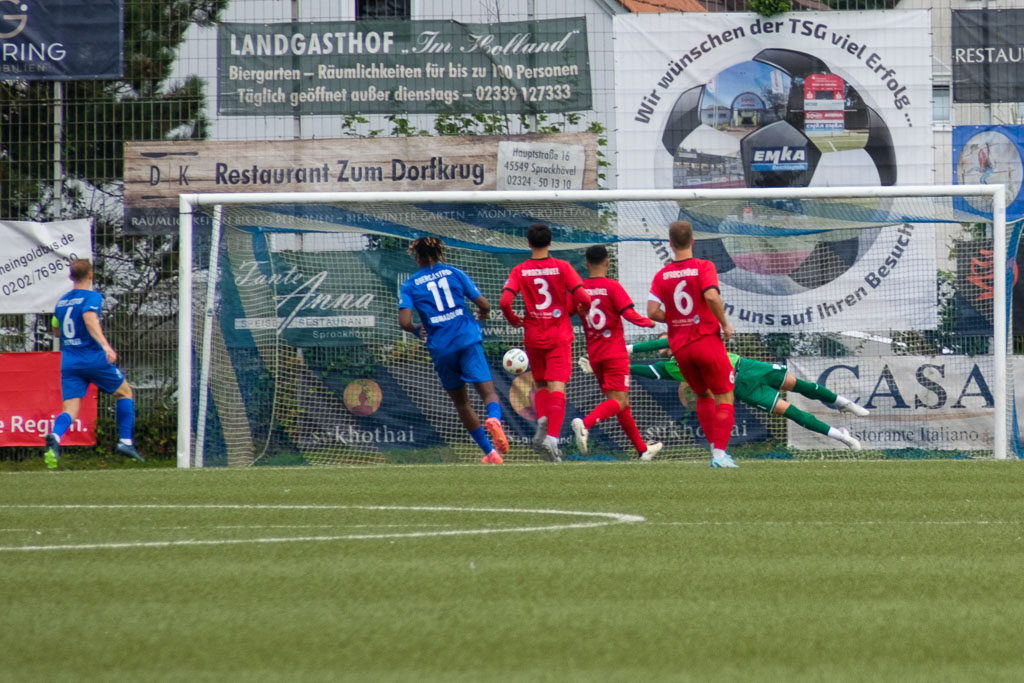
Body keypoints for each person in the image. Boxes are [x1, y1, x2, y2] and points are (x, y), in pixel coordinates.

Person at [579, 335, 867, 450]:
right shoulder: (671, 365)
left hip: (746, 368)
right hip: (738, 384)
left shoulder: (683, 345)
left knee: (798, 386)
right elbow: (642, 367)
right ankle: (841, 436)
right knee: (790, 411)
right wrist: (609, 365)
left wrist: (622, 351)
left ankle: (842, 403)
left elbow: (655, 346)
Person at [398, 237, 509, 464]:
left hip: (442, 348)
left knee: (462, 403)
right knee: (488, 393)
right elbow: (484, 304)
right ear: (439, 254)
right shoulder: (454, 272)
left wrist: (418, 331)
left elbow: (404, 321)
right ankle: (495, 420)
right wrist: (484, 313)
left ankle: (490, 453)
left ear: (417, 256)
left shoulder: (410, 284)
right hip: (467, 340)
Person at [648, 220, 738, 468]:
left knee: (702, 394)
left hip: (680, 347)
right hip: (706, 341)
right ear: (693, 241)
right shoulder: (703, 266)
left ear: (670, 243)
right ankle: (719, 455)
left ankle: (714, 449)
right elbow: (710, 295)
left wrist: (677, 320)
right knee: (725, 396)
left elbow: (652, 312)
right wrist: (725, 324)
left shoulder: (661, 275)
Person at [500, 223, 592, 462]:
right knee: (557, 387)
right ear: (551, 242)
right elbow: (582, 296)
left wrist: (512, 320)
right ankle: (552, 437)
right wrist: (584, 308)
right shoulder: (562, 267)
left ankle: (542, 419)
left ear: (529, 243)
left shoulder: (520, 270)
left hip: (533, 335)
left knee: (540, 384)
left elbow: (504, 301)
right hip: (558, 335)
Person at [44, 259, 143, 469]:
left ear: (71, 277)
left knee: (70, 408)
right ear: (91, 275)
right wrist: (106, 346)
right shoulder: (92, 297)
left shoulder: (61, 302)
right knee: (125, 393)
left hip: (70, 362)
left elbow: (55, 331)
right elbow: (89, 318)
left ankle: (55, 435)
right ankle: (125, 441)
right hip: (92, 359)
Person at [569, 245, 664, 461]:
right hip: (614, 353)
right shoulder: (612, 287)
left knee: (621, 403)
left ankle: (642, 450)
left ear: (586, 264)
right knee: (619, 401)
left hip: (595, 355)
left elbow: (566, 312)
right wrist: (649, 322)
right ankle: (585, 424)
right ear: (608, 262)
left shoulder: (579, 289)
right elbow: (628, 313)